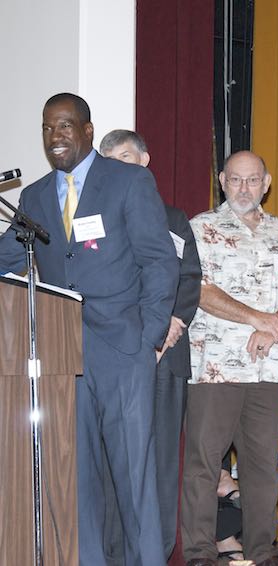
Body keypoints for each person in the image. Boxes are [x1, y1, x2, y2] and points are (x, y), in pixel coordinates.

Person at [0, 93, 179, 565]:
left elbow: (159, 262)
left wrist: (149, 337)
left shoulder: (129, 181)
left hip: (123, 350)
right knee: (74, 477)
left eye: (64, 126)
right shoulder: (35, 196)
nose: (54, 137)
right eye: (46, 128)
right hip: (62, 357)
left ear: (86, 130)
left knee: (133, 476)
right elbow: (8, 259)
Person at [181, 150, 278, 566]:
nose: (244, 188)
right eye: (236, 179)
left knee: (261, 467)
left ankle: (262, 551)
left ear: (266, 183)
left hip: (269, 366)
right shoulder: (201, 228)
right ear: (222, 180)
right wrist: (259, 318)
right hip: (214, 366)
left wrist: (275, 326)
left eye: (252, 180)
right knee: (203, 465)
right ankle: (200, 553)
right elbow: (198, 289)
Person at [99, 129, 202, 562]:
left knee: (158, 460)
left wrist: (169, 328)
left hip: (163, 357)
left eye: (125, 157)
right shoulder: (97, 221)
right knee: (110, 460)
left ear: (144, 161)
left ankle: (154, 553)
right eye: (109, 160)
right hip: (114, 357)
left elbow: (188, 278)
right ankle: (112, 551)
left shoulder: (172, 218)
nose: (118, 166)